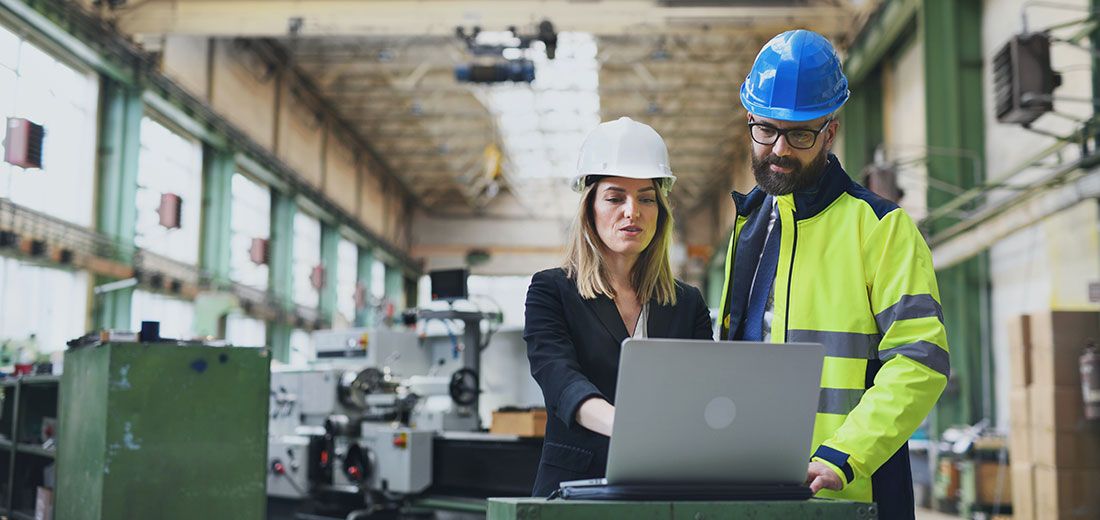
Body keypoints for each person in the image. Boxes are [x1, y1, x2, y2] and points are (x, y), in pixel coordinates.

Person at [719, 30, 949, 519]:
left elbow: (920, 361)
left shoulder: (882, 229)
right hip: (751, 484)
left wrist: (844, 456)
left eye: (799, 134)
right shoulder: (750, 225)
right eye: (766, 129)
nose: (779, 148)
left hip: (851, 490)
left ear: (831, 131)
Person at [524, 117, 713, 497]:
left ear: (660, 211)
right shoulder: (552, 291)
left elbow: (703, 392)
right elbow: (560, 380)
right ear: (590, 208)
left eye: (646, 198)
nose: (632, 211)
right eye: (615, 198)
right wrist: (628, 425)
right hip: (573, 489)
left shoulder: (685, 303)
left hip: (665, 484)